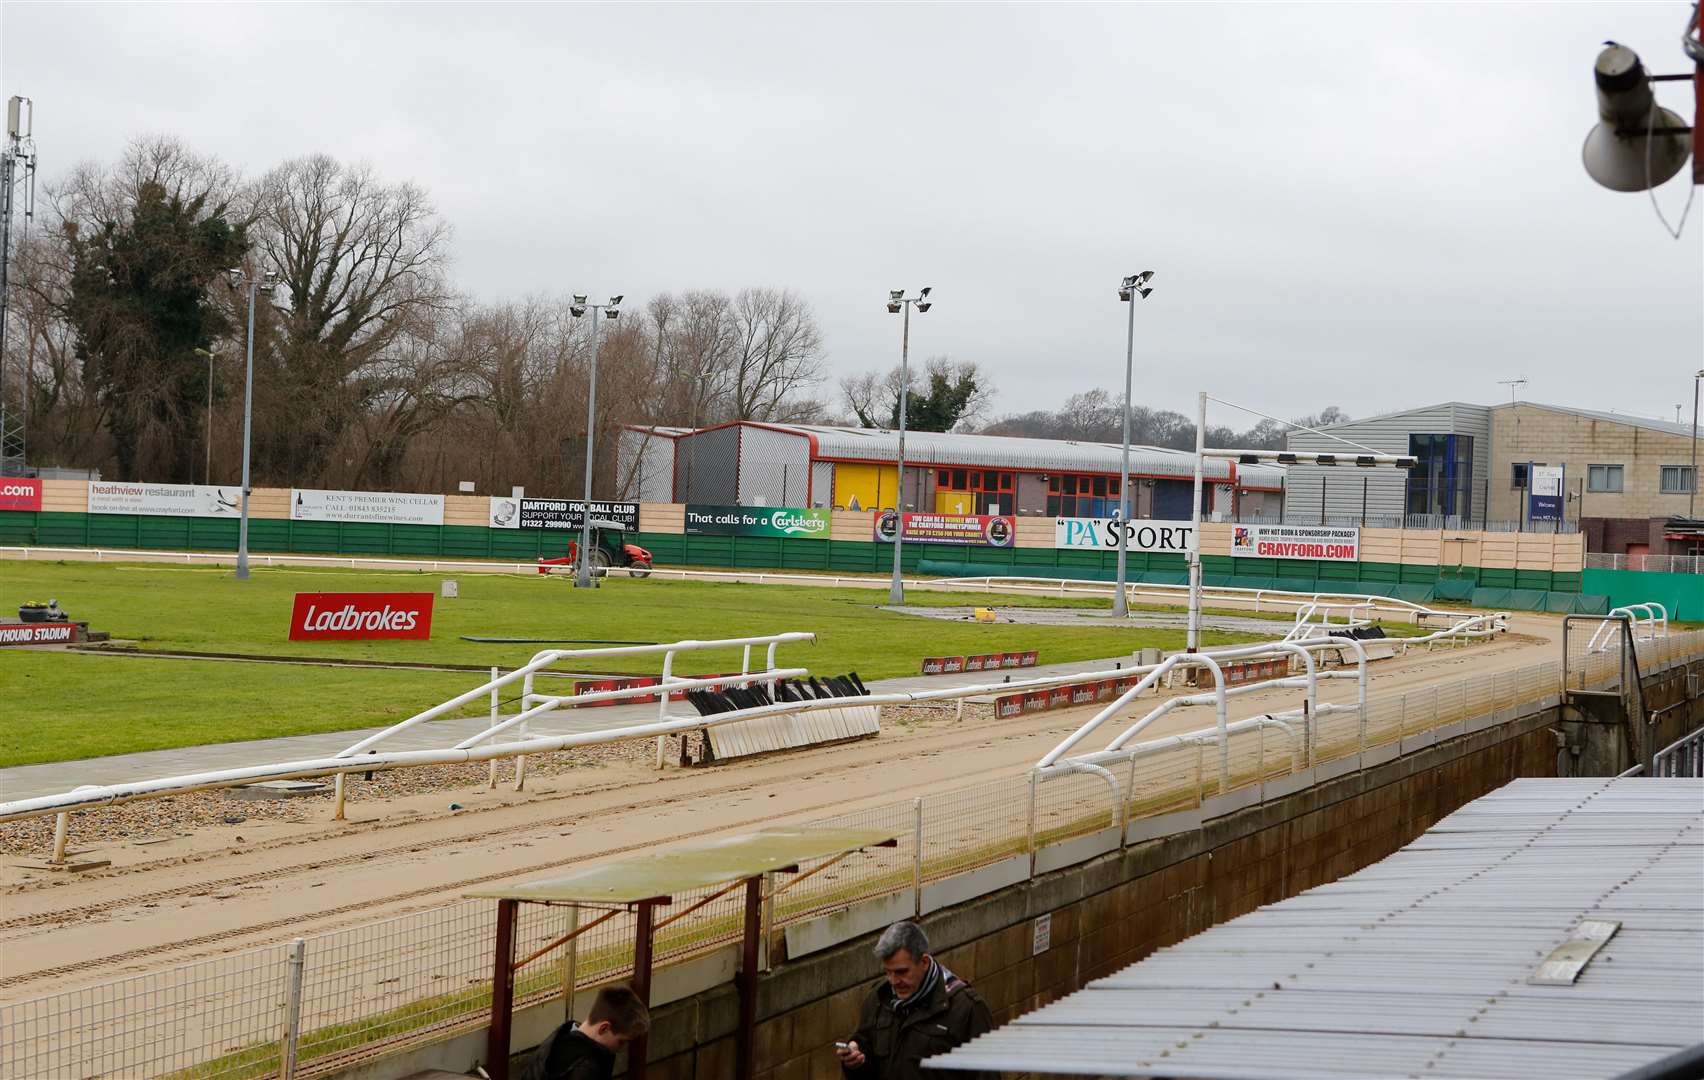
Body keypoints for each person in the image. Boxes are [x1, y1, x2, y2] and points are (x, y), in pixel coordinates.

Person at [838, 920, 994, 1080]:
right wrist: (855, 1061)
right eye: (888, 972)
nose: (893, 981)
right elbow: (865, 1048)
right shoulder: (879, 998)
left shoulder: (966, 1008)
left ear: (924, 962)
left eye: (901, 972)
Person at [519, 984, 651, 1080]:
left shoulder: (561, 1036)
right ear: (604, 1028)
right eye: (621, 1042)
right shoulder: (587, 1068)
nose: (622, 1049)